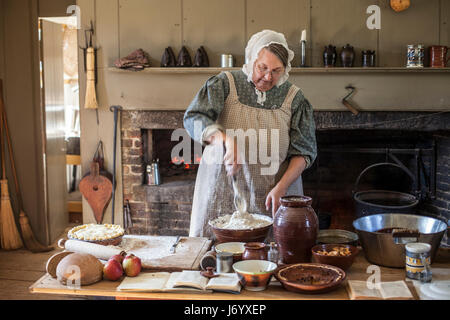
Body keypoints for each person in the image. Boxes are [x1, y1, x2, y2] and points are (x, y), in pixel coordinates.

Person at [184, 30, 317, 238]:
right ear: (251, 59)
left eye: (276, 71)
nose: (267, 77)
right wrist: (223, 139)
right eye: (262, 67)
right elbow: (194, 118)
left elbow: (304, 151)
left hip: (273, 194)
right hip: (224, 190)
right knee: (216, 258)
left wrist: (282, 188)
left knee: (271, 258)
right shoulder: (225, 83)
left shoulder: (295, 98)